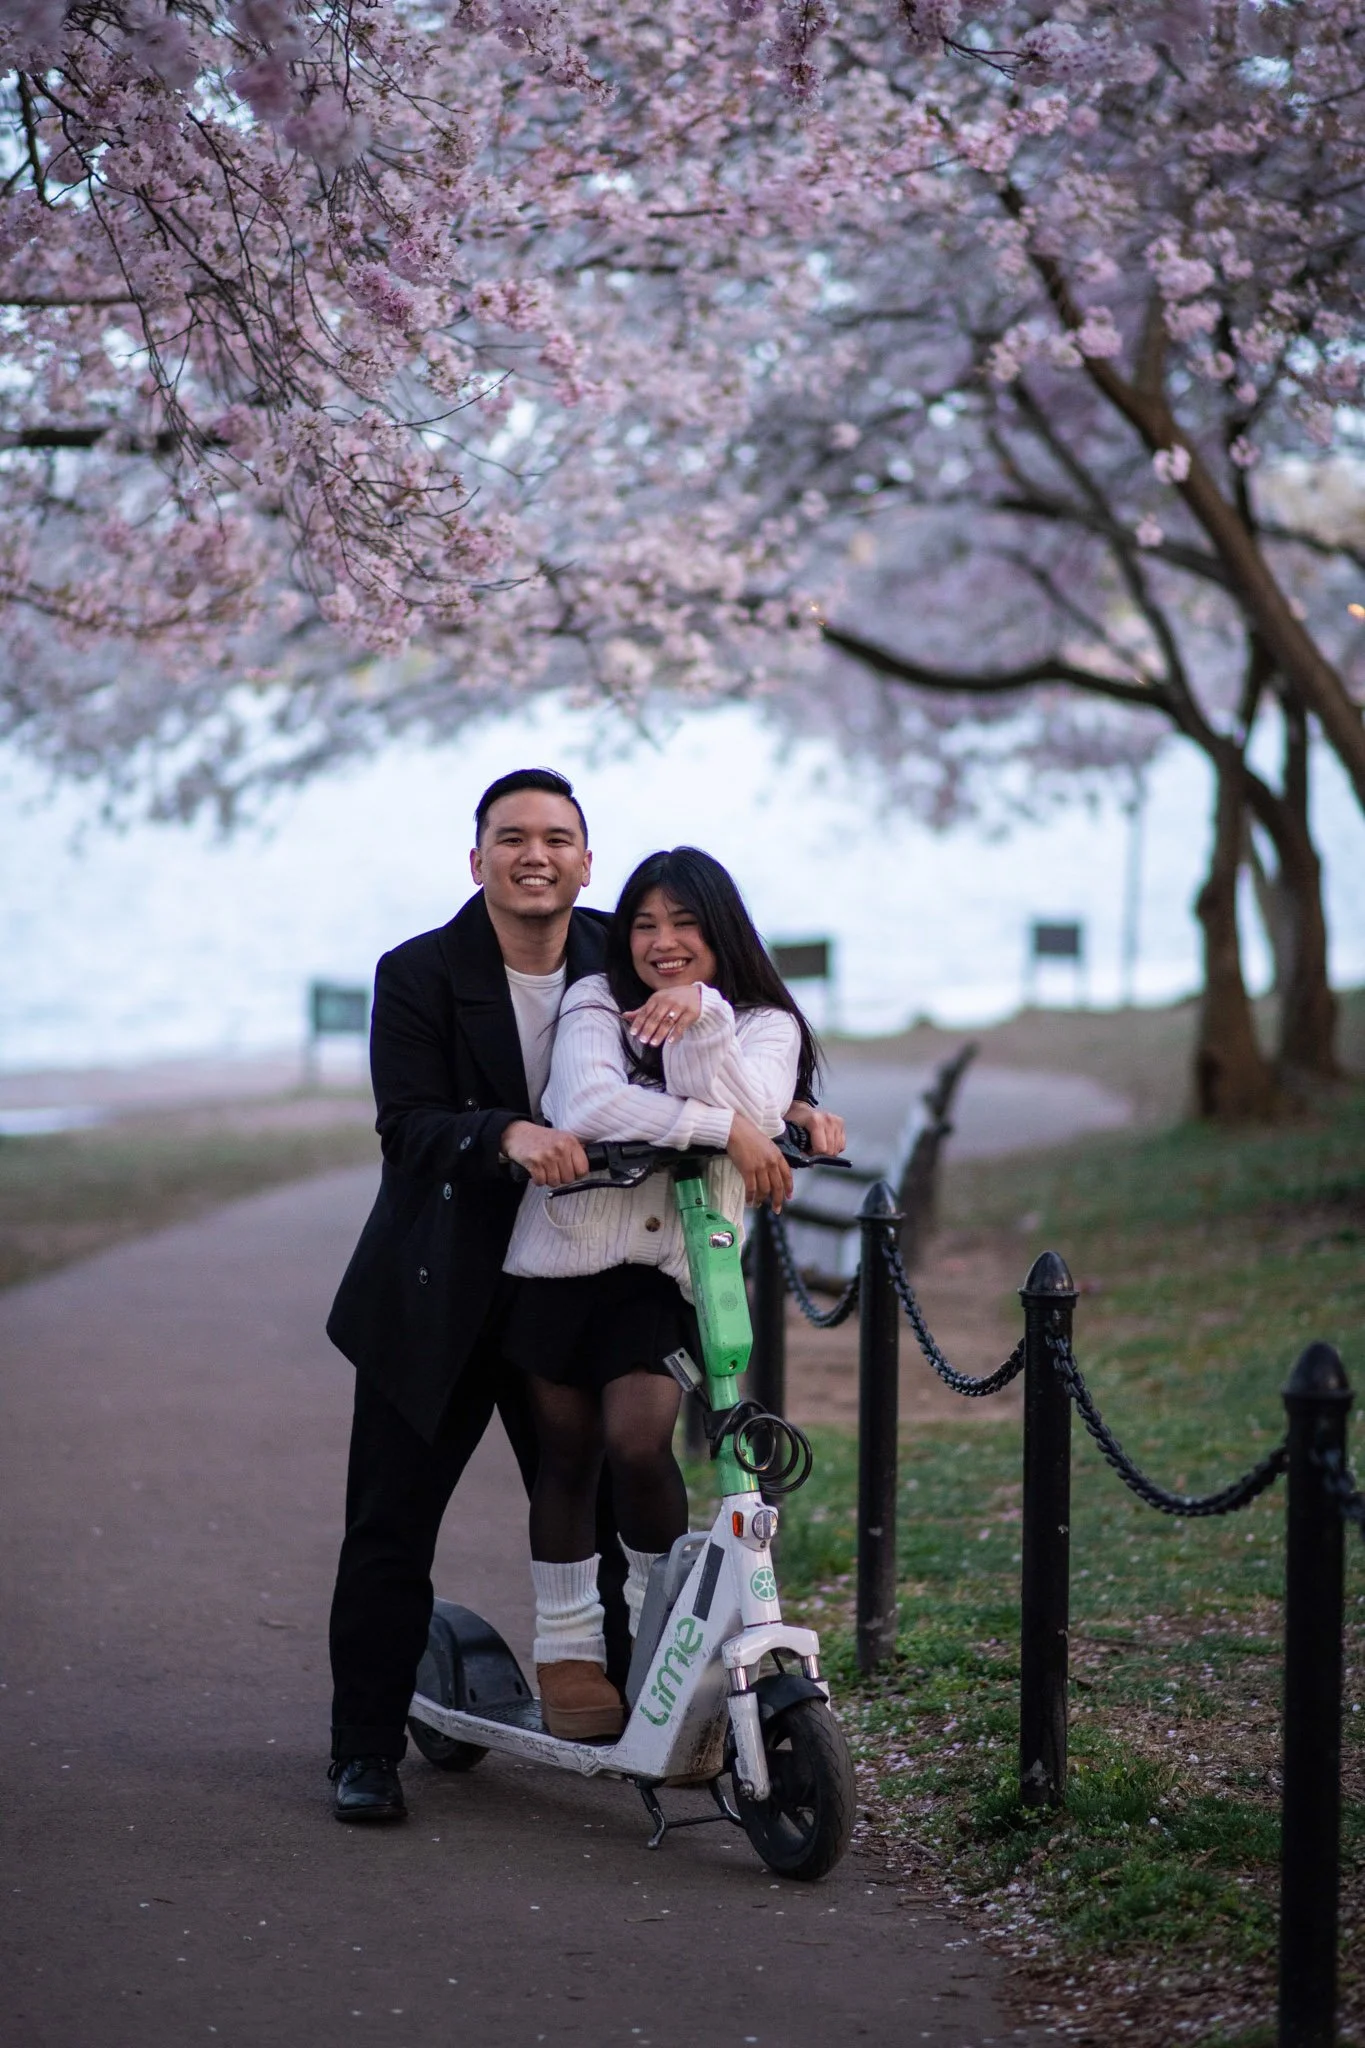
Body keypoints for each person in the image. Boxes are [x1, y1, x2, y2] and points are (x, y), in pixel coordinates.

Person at [324, 774, 843, 1819]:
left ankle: (618, 1711)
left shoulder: (623, 948)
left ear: (586, 860)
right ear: (477, 861)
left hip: (582, 1271)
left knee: (604, 1484)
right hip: (443, 1285)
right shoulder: (420, 971)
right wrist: (506, 1133)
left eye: (558, 837)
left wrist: (793, 1105)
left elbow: (726, 1022)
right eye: (511, 837)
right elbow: (409, 1123)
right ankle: (365, 1749)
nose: (535, 853)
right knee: (391, 1527)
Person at [501, 846, 822, 1741]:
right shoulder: (596, 1000)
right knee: (564, 1452)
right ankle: (566, 1648)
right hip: (563, 1257)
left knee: (638, 1442)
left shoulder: (762, 1022)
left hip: (668, 1272)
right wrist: (721, 1130)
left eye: (683, 924)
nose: (661, 942)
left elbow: (761, 1111)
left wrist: (700, 1018)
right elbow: (587, 1107)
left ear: (720, 931)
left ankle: (654, 1635)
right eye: (644, 924)